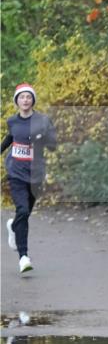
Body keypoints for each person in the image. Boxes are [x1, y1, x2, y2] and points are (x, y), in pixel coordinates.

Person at [2, 83, 58, 274]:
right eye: (22, 97)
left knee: (25, 214)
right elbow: (10, 138)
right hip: (16, 172)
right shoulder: (12, 121)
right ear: (17, 101)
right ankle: (23, 257)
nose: (25, 100)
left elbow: (53, 146)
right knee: (23, 210)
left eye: (28, 97)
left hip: (35, 174)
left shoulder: (43, 121)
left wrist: (43, 138)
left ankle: (13, 226)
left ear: (33, 100)